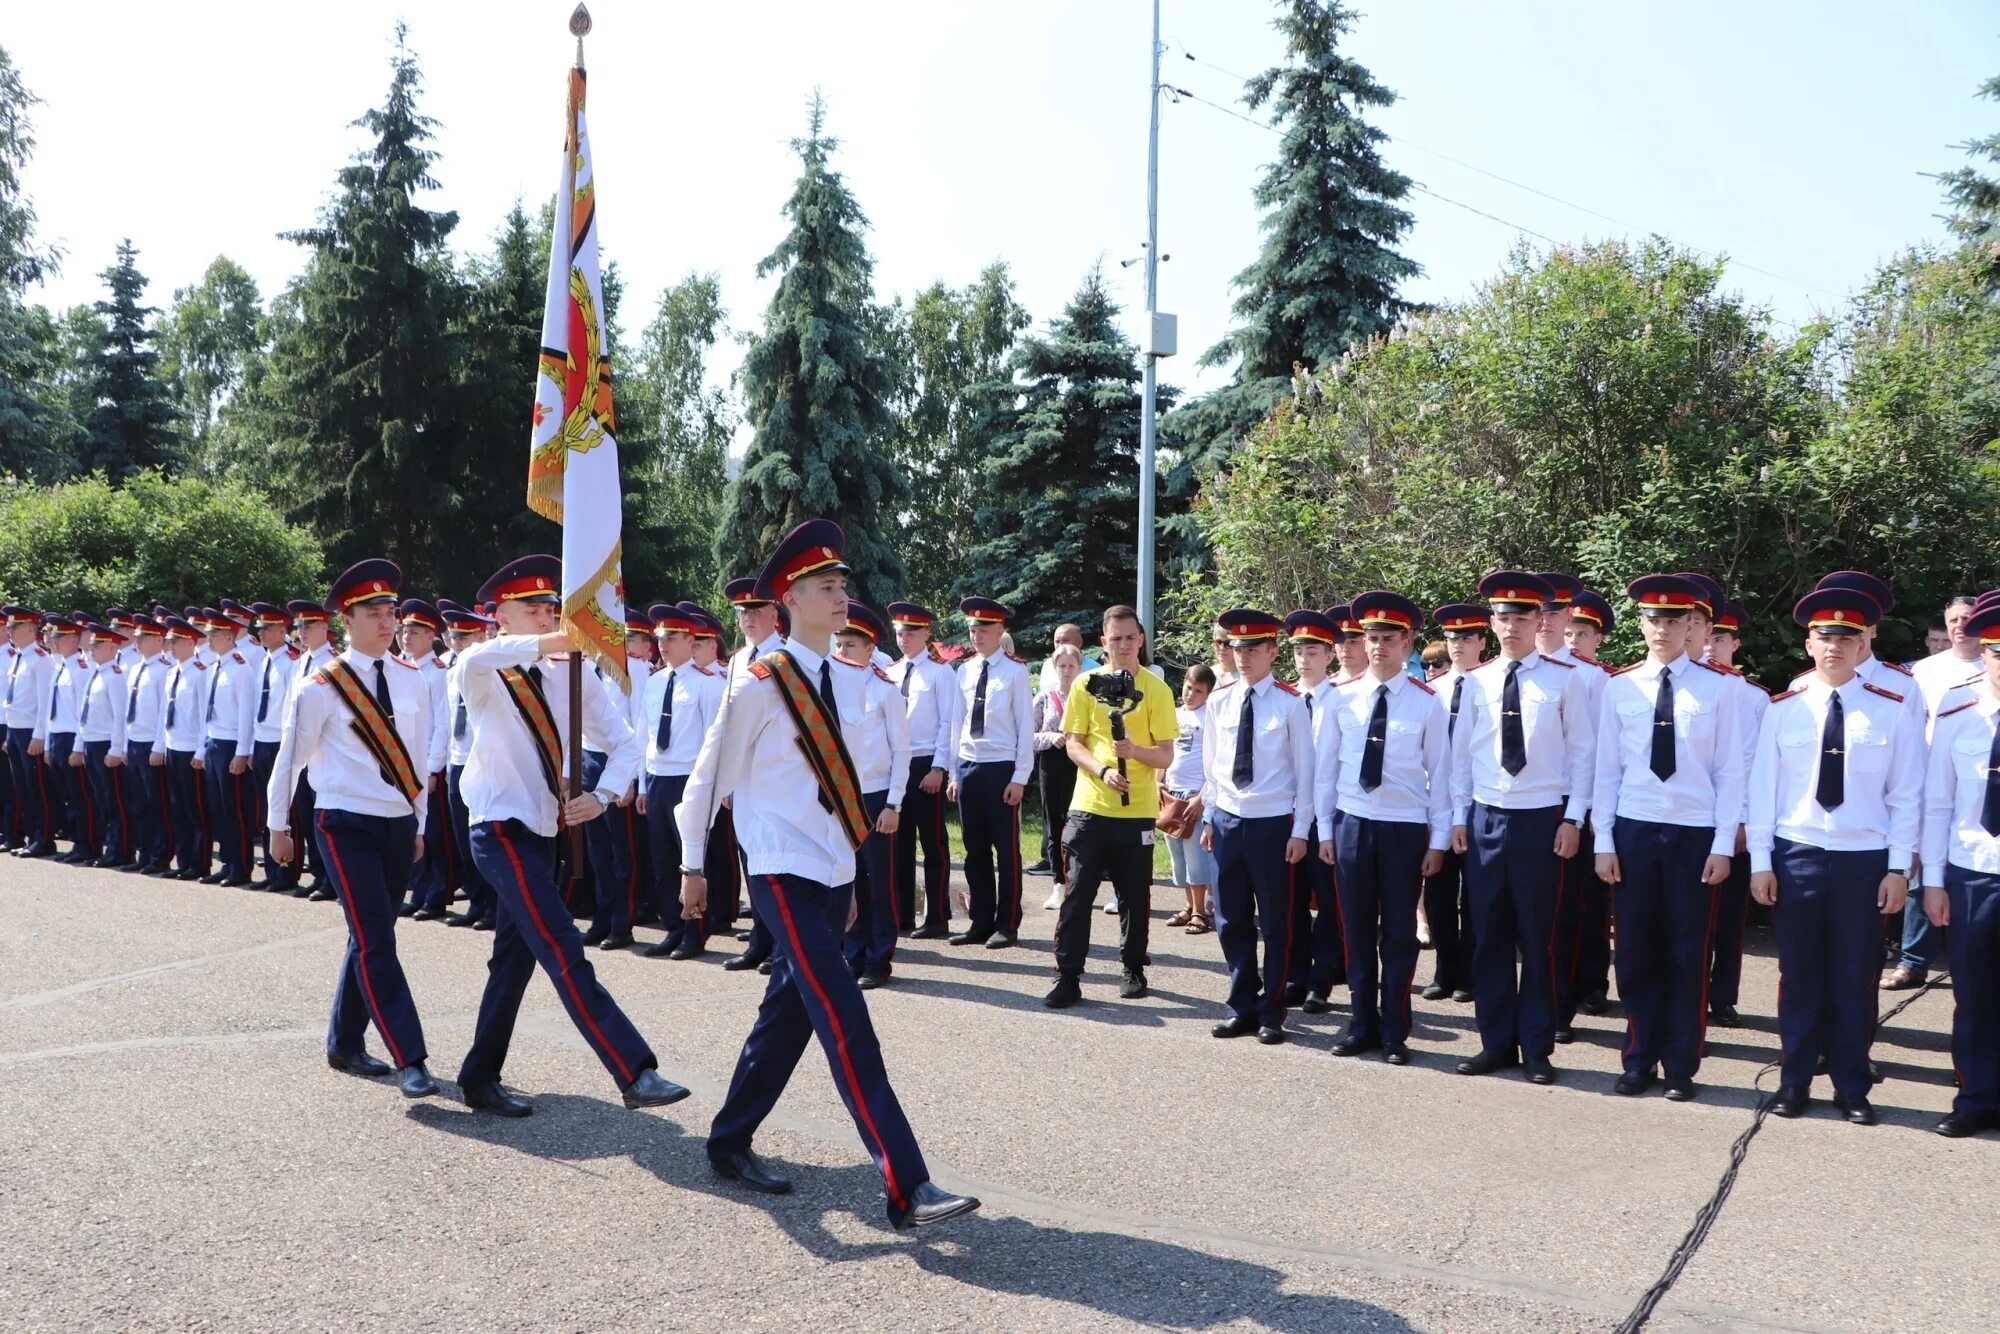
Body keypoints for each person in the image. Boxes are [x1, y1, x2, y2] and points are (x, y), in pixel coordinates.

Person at [676, 519, 979, 1230]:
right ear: (789, 599)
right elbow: (706, 780)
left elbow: (838, 787)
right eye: (825, 587)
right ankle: (907, 1185)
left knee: (786, 1016)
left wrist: (846, 877)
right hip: (779, 869)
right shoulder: (756, 685)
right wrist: (693, 865)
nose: (842, 596)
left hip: (826, 872)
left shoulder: (838, 679)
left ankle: (727, 1140)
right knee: (845, 1017)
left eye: (842, 585)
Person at [451, 554, 689, 1118]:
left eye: (548, 607)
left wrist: (601, 795)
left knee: (514, 960)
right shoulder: (483, 669)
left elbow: (626, 745)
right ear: (500, 615)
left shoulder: (572, 674)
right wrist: (562, 638)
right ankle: (633, 1070)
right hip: (496, 828)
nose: (544, 616)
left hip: (541, 831)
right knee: (562, 944)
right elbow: (480, 654)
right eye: (530, 608)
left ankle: (479, 1076)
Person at [265, 560, 441, 1100]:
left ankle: (344, 1042)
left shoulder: (412, 679)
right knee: (376, 939)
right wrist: (277, 826)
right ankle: (410, 1056)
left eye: (392, 612)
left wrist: (420, 823)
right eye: (376, 613)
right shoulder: (320, 687)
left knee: (367, 936)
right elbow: (289, 761)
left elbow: (418, 760)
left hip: (395, 824)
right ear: (349, 618)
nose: (388, 622)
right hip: (343, 824)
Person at [1751, 585, 1923, 1125]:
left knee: (1855, 976)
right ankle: (1794, 1081)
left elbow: (1906, 796)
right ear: (1809, 643)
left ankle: (1852, 1085)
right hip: (1797, 854)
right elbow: (1763, 792)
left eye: (1846, 638)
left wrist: (1899, 867)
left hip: (1864, 860)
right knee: (1799, 976)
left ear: (1862, 642)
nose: (1836, 646)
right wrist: (1760, 860)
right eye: (1826, 636)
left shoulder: (1892, 710)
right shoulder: (1783, 711)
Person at [1591, 576, 1748, 1102]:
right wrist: (1603, 840)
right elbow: (1605, 771)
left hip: (1694, 832)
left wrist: (1724, 843)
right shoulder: (1620, 686)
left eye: (1674, 621)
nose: (1662, 629)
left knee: (1686, 951)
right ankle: (1638, 1057)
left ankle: (1681, 1063)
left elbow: (1729, 772)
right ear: (1641, 625)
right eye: (1653, 620)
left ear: (1692, 627)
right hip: (1634, 829)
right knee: (1634, 952)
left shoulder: (1721, 688)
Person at [1448, 572, 1595, 1085]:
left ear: (1542, 621)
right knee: (1487, 936)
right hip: (1486, 816)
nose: (1511, 627)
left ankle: (1537, 1046)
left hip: (1542, 818)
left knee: (1540, 938)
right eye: (1503, 618)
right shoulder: (1477, 681)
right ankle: (1495, 1043)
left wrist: (1575, 817)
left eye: (1522, 618)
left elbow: (1582, 754)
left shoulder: (1564, 679)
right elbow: (1460, 756)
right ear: (1492, 623)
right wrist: (1457, 817)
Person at [1315, 593, 1451, 1063]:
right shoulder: (1341, 697)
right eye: (1371, 638)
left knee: (1398, 933)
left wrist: (1437, 839)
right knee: (1354, 929)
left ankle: (1394, 1030)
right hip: (1353, 824)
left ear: (1407, 642)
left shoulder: (1426, 703)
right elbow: (1326, 770)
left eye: (1388, 639)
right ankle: (1359, 1025)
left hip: (1403, 829)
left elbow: (1442, 775)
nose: (1377, 647)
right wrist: (1326, 832)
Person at [1044, 604, 1178, 1008]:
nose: (1123, 644)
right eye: (1115, 638)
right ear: (1103, 642)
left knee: (1135, 895)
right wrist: (1102, 771)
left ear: (1141, 639)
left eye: (1130, 637)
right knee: (1077, 894)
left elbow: (1166, 756)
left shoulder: (1157, 690)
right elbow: (1073, 743)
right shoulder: (1086, 684)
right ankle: (1068, 976)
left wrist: (1135, 750)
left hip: (1136, 810)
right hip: (1089, 807)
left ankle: (1133, 967)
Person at [1202, 608, 1315, 1045]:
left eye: (1252, 648)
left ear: (1272, 651)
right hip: (1228, 820)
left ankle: (1273, 1010)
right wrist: (1211, 816)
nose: (1242, 656)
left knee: (1277, 922)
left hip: (1273, 824)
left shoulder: (1290, 703)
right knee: (1230, 920)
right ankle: (1241, 1006)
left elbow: (1305, 772)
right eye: (1235, 647)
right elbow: (1212, 767)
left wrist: (1300, 830)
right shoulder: (1219, 700)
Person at [1919, 601, 2000, 1136]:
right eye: (1997, 651)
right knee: (1973, 994)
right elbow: (1938, 803)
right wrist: (1931, 879)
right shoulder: (1955, 710)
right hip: (1972, 872)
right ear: (1983, 653)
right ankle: (1975, 1097)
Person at [1887, 595, 1985, 991]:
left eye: (1967, 618)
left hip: (1976, 784)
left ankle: (1968, 956)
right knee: (1920, 874)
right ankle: (1912, 959)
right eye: (1953, 619)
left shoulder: (1992, 664)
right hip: (1929, 783)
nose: (1960, 625)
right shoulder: (1923, 672)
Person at [635, 604, 725, 960]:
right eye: (659, 638)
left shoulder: (706, 685)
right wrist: (642, 786)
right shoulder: (655, 682)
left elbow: (711, 743)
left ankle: (696, 931)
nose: (663, 645)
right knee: (663, 860)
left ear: (691, 640)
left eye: (671, 638)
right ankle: (674, 927)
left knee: (693, 859)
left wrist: (709, 790)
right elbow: (645, 736)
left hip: (689, 779)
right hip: (658, 778)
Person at [833, 601, 911, 988]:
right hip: (841, 797)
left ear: (869, 648)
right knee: (847, 879)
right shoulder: (829, 686)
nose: (842, 651)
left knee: (878, 881)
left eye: (850, 645)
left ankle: (879, 959)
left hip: (877, 796)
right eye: (839, 643)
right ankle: (853, 951)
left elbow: (901, 750)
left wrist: (894, 802)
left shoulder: (885, 691)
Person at [948, 597, 1032, 948]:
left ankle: (1007, 923)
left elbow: (1025, 726)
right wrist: (954, 771)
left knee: (1006, 850)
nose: (976, 635)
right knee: (974, 848)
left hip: (1001, 768)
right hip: (969, 765)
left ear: (1000, 630)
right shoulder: (965, 670)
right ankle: (979, 921)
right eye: (972, 629)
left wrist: (1020, 776)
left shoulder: (1015, 671)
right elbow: (957, 723)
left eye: (983, 629)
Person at [1702, 600, 1771, 1027]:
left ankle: (1722, 996)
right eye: (1706, 637)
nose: (1711, 647)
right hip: (1690, 817)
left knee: (1728, 918)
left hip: (1736, 821)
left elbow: (1755, 766)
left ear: (1736, 644)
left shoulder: (1755, 698)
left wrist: (1744, 821)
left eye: (1720, 639)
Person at [719, 576, 786, 973]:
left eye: (756, 611)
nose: (747, 618)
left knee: (774, 861)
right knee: (751, 862)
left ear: (774, 615)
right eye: (743, 612)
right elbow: (729, 724)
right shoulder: (738, 660)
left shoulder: (784, 656)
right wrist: (727, 779)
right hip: (743, 778)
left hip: (774, 775)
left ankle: (781, 943)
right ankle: (760, 941)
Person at [1421, 604, 1487, 1003]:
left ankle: (1471, 975)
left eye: (1466, 638)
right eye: (1451, 638)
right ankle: (1446, 970)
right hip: (1438, 802)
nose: (1458, 645)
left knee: (1475, 896)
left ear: (1482, 641)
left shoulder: (1491, 685)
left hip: (1478, 802)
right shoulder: (1433, 690)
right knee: (1438, 894)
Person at [1282, 610, 1346, 1013]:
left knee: (1327, 901)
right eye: (1299, 652)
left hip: (1328, 817)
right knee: (1289, 901)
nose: (1304, 659)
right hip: (1286, 815)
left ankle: (1321, 979)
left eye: (1313, 651)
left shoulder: (1343, 701)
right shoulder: (1284, 700)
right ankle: (1294, 973)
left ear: (1330, 656)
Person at [886, 602, 958, 939]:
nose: (904, 638)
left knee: (933, 844)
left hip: (926, 762)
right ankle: (901, 915)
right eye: (900, 632)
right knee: (899, 845)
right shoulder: (891, 671)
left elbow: (948, 722)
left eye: (911, 632)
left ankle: (938, 916)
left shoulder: (940, 672)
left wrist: (939, 767)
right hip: (897, 765)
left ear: (926, 634)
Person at [436, 600, 498, 928]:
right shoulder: (449, 674)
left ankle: (494, 905)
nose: (456, 644)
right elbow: (445, 723)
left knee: (483, 836)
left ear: (480, 636)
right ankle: (476, 899)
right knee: (462, 837)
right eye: (453, 638)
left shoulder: (489, 671)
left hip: (482, 762)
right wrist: (441, 763)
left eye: (463, 637)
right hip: (456, 761)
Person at [199, 607, 260, 887]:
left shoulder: (240, 668)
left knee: (235, 809)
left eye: (213, 634)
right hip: (214, 742)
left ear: (228, 636)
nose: (208, 639)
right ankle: (227, 862)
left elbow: (247, 714)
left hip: (231, 744)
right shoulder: (216, 666)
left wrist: (242, 751)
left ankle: (241, 865)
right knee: (219, 808)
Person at [285, 599, 339, 900]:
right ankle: (319, 875)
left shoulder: (331, 662)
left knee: (323, 819)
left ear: (323, 627)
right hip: (302, 749)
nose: (301, 631)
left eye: (307, 625)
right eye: (299, 626)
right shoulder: (301, 662)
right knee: (306, 817)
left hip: (321, 752)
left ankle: (332, 879)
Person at [156, 618, 211, 880]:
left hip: (191, 750)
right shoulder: (171, 672)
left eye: (174, 642)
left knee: (196, 810)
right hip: (173, 747)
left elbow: (203, 717)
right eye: (169, 642)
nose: (170, 646)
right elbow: (163, 715)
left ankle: (199, 863)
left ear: (190, 642)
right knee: (177, 808)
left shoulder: (201, 673)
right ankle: (184, 860)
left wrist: (201, 750)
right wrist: (162, 746)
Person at [1163, 664, 1216, 935]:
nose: (1190, 694)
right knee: (1178, 858)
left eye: (1198, 691)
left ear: (1208, 694)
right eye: (1188, 687)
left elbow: (1216, 763)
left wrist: (1202, 797)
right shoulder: (1174, 715)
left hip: (1195, 795)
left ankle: (1199, 911)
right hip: (1172, 794)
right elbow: (1164, 749)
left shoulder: (1210, 718)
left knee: (1196, 857)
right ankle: (1187, 906)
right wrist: (1159, 781)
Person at [4, 605, 59, 859]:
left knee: (37, 787)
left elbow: (44, 701)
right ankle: (28, 835)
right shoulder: (17, 656)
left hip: (30, 731)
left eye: (14, 627)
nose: (9, 631)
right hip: (15, 730)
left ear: (29, 628)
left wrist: (39, 734)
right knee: (22, 787)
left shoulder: (40, 658)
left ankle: (43, 838)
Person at [1034, 644, 1084, 909]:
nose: (1066, 671)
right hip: (1051, 763)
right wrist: (1050, 737)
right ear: (1055, 668)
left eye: (1071, 666)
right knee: (1054, 823)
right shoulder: (1044, 698)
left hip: (1081, 764)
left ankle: (1080, 881)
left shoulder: (1088, 696)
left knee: (1080, 824)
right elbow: (1026, 736)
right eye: (1062, 666)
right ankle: (1058, 883)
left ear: (1079, 667)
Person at [122, 616, 172, 875]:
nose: (137, 642)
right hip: (134, 742)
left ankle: (159, 855)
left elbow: (165, 712)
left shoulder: (164, 669)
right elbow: (125, 710)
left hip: (151, 744)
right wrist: (123, 744)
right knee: (138, 803)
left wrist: (159, 746)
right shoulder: (135, 668)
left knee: (157, 804)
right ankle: (144, 853)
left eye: (143, 638)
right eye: (137, 637)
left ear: (158, 640)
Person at [43, 617, 90, 864]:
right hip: (58, 737)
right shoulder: (60, 666)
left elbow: (83, 713)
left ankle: (87, 844)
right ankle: (77, 843)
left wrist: (78, 747)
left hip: (72, 737)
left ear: (74, 639)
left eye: (60, 638)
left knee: (80, 795)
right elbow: (54, 709)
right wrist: (50, 742)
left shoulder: (81, 668)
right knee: (68, 795)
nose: (55, 642)